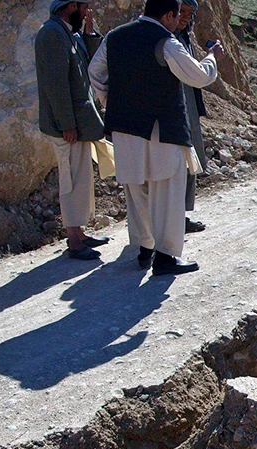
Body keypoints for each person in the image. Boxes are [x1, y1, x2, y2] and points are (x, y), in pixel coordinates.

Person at [88, 0, 224, 275]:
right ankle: (166, 256)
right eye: (176, 16)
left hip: (125, 128)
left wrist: (111, 101)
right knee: (168, 192)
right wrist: (212, 58)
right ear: (168, 15)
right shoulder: (166, 41)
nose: (177, 22)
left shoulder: (115, 37)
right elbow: (197, 76)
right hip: (160, 130)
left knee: (137, 190)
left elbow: (95, 73)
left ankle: (144, 248)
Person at [35, 0, 111, 260]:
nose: (86, 12)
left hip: (78, 123)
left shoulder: (67, 32)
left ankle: (80, 232)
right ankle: (74, 240)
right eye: (83, 7)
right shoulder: (52, 34)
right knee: (70, 179)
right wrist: (66, 123)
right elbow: (56, 85)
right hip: (67, 127)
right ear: (71, 6)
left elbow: (87, 66)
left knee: (81, 178)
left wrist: (89, 34)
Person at [174, 0, 208, 234]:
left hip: (189, 109)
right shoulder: (169, 42)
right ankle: (173, 217)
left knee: (190, 163)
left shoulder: (184, 38)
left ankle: (182, 215)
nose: (185, 17)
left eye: (189, 13)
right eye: (181, 12)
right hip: (176, 109)